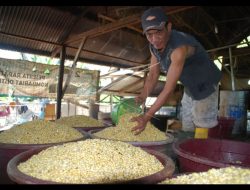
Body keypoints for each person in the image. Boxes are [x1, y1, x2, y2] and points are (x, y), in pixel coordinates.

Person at [131, 7, 222, 139]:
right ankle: (189, 146)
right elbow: (153, 74)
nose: (154, 39)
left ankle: (203, 150)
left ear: (168, 27)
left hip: (206, 82)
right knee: (187, 120)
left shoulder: (179, 48)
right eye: (149, 34)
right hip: (190, 84)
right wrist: (143, 95)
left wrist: (147, 116)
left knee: (202, 122)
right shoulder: (154, 46)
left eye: (158, 32)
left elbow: (168, 89)